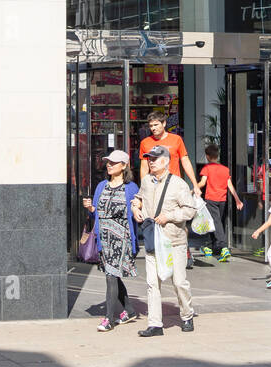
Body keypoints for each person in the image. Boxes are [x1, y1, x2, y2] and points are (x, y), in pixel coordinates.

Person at [131, 144, 199, 335]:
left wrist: (169, 216)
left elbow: (190, 210)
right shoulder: (146, 182)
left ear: (165, 161)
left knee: (179, 282)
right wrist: (136, 208)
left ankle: (187, 315)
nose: (151, 162)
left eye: (154, 158)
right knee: (152, 283)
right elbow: (138, 199)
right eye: (149, 159)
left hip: (174, 241)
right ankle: (155, 324)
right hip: (153, 241)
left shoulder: (179, 184)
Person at [84, 150, 139, 332]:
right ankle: (129, 310)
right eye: (108, 162)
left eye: (113, 163)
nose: (109, 165)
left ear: (124, 166)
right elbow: (99, 213)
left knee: (110, 277)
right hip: (105, 239)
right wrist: (91, 208)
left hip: (121, 238)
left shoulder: (131, 188)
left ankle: (109, 318)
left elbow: (136, 213)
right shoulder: (101, 186)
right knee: (112, 275)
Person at [139, 110, 200, 269]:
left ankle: (183, 250)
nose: (153, 128)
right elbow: (144, 167)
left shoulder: (176, 140)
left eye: (156, 125)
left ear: (164, 124)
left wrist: (195, 184)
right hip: (154, 186)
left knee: (179, 223)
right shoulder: (145, 142)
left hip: (174, 187)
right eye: (151, 126)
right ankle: (160, 251)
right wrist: (143, 190)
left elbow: (185, 161)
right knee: (156, 220)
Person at [196, 144, 243, 261]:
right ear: (217, 155)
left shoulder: (207, 168)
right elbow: (230, 186)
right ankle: (211, 247)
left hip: (211, 199)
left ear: (207, 156)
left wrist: (191, 189)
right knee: (214, 222)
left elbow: (202, 183)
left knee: (215, 223)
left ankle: (223, 247)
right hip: (222, 200)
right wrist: (238, 200)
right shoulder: (225, 169)